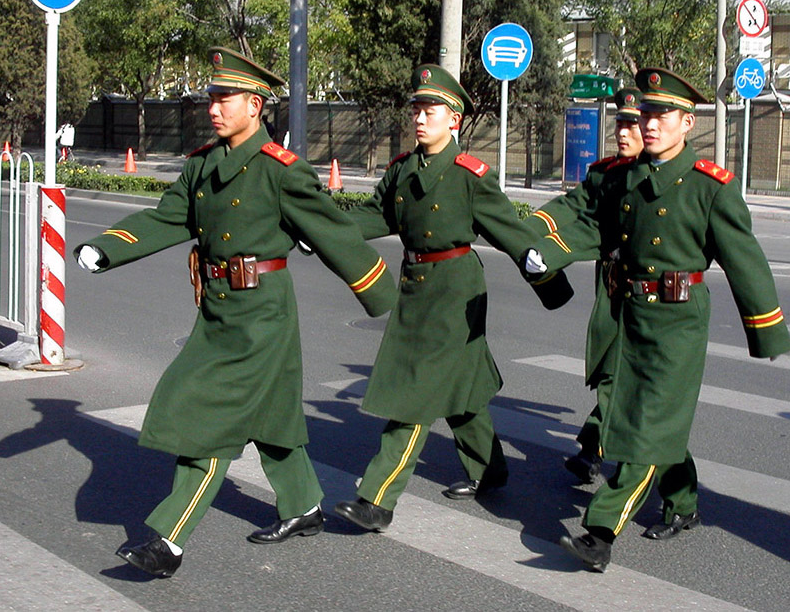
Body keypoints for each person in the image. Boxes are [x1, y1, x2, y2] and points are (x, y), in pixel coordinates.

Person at [74, 46, 397, 577]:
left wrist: (383, 296)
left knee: (209, 421)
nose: (214, 108)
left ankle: (167, 541)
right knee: (270, 419)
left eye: (226, 98)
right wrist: (109, 245)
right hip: (218, 310)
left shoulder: (281, 170)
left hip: (262, 316)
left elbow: (333, 230)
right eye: (212, 98)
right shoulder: (203, 164)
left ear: (256, 105)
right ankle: (305, 507)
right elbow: (167, 218)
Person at [524, 68, 790, 572]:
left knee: (646, 427)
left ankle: (600, 531)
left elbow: (744, 259)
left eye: (661, 114)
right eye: (645, 113)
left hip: (679, 321)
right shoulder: (626, 178)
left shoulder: (709, 186)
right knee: (648, 420)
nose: (649, 123)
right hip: (631, 313)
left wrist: (766, 327)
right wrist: (548, 251)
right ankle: (684, 501)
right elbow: (595, 229)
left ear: (688, 122)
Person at [333, 64, 563, 532]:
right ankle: (490, 468)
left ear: (453, 119)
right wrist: (323, 233)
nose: (420, 117)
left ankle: (376, 498)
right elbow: (372, 217)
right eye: (416, 108)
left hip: (456, 291)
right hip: (416, 285)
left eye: (431, 109)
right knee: (462, 388)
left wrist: (535, 263)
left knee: (416, 394)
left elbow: (507, 228)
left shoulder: (469, 175)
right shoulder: (402, 171)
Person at [525, 89, 645, 484]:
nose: (623, 133)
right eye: (619, 124)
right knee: (613, 372)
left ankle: (600, 453)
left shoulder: (663, 175)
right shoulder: (605, 172)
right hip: (612, 290)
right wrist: (527, 233)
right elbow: (572, 208)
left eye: (631, 124)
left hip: (652, 295)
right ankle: (597, 447)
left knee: (630, 384)